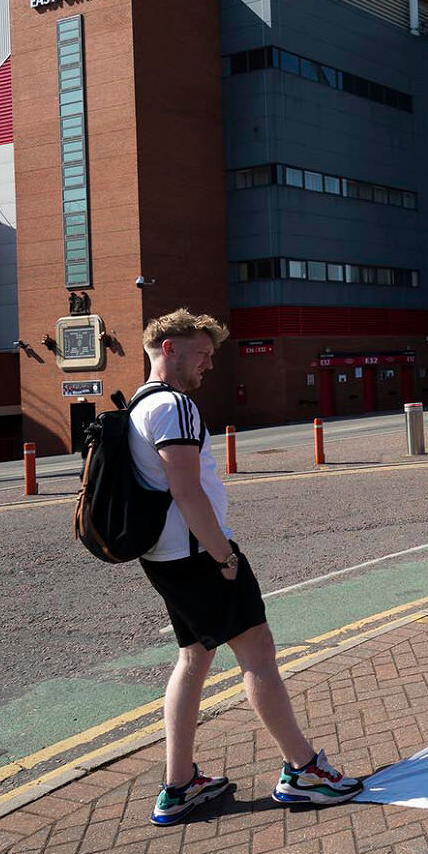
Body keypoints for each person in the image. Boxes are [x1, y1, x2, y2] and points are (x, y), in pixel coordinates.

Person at [130, 309, 365, 825]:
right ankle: (303, 770)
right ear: (169, 348)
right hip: (198, 556)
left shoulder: (138, 405)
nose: (209, 364)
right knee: (257, 652)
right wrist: (225, 557)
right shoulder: (175, 407)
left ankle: (179, 783)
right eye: (202, 352)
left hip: (164, 558)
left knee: (193, 657)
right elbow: (187, 492)